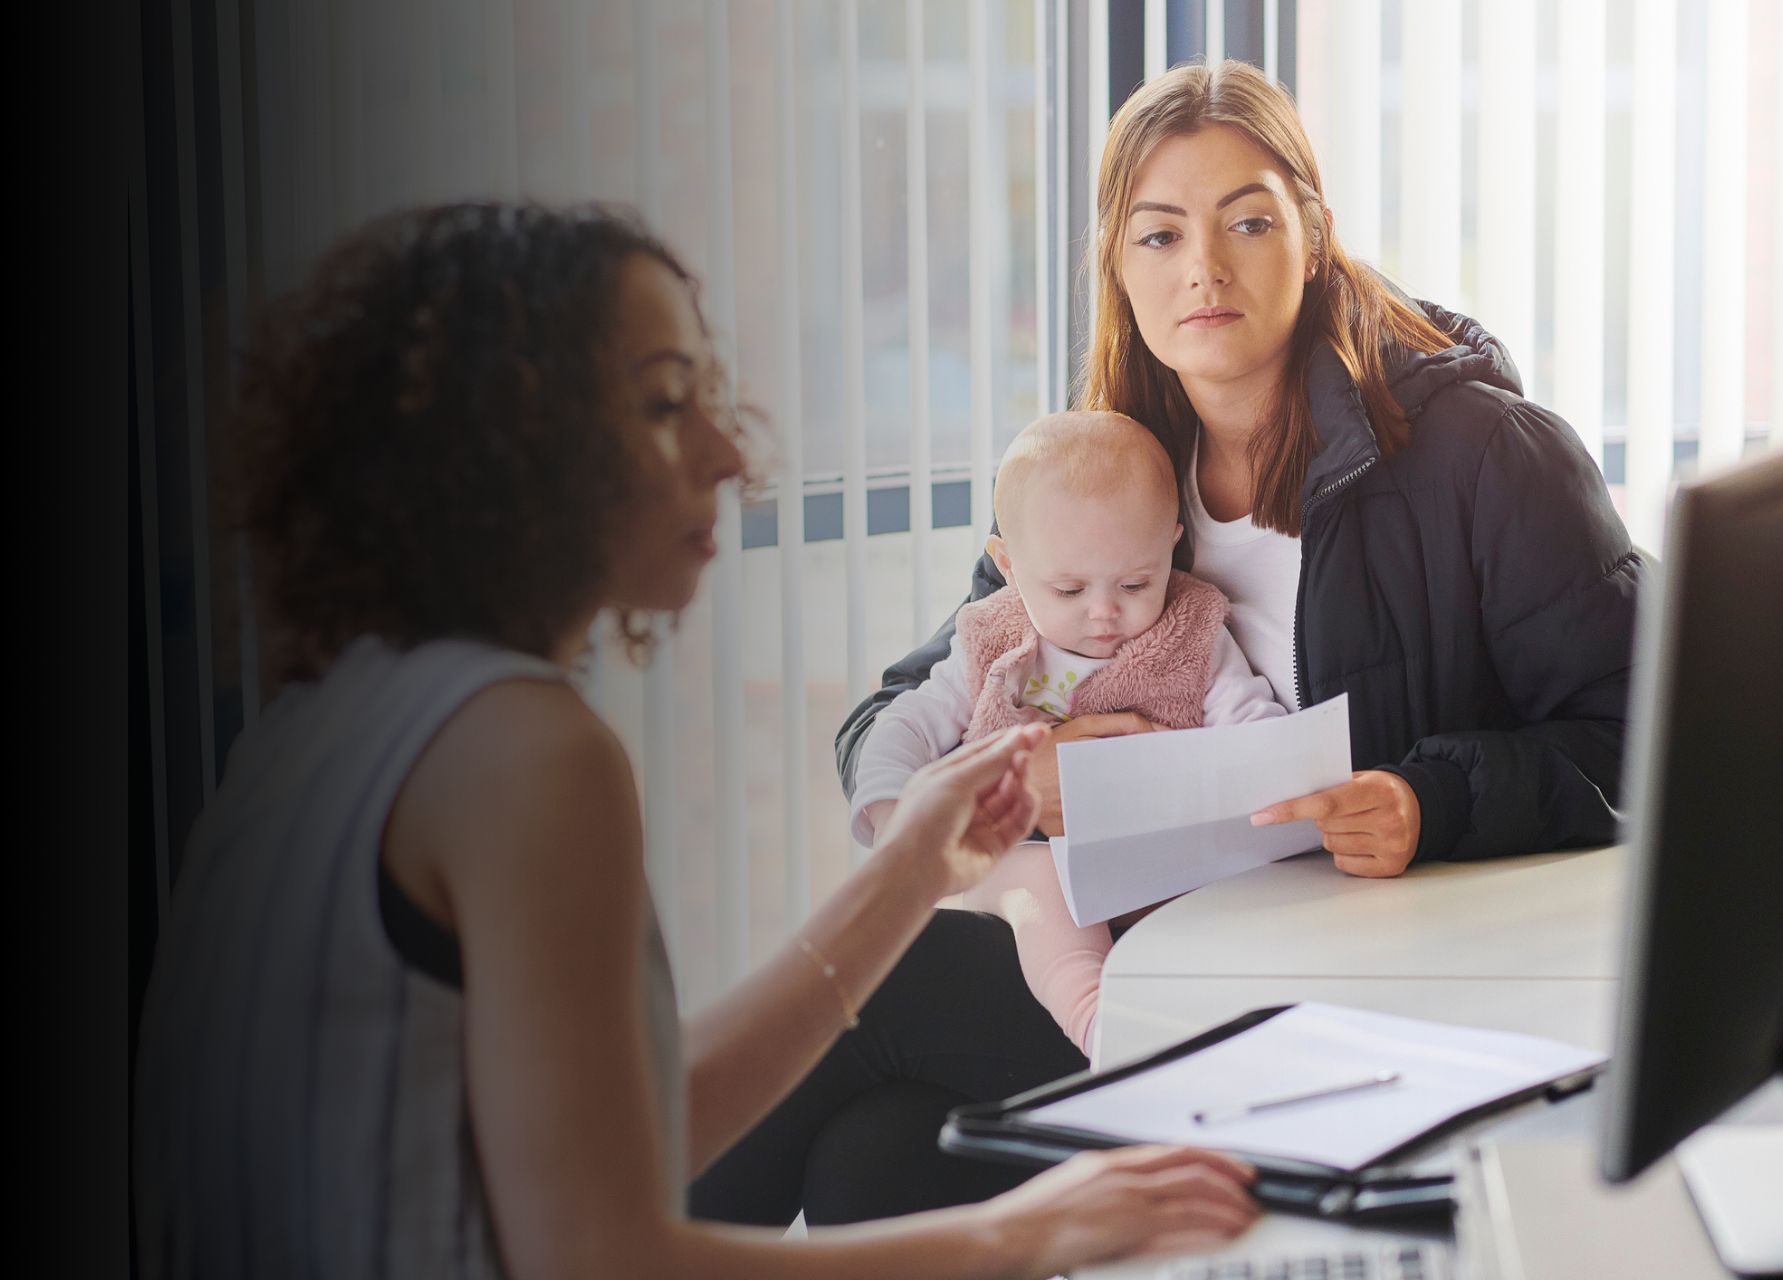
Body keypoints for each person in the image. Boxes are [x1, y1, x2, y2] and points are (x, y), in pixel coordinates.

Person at [132, 202, 1260, 1279]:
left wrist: (917, 861)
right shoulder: (521, 753)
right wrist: (1015, 1232)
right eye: (668, 404)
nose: (730, 451)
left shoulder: (326, 723)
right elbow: (599, 1254)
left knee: (885, 1147)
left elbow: (625, 1122)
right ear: (514, 447)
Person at [700, 60, 1640, 1227]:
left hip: (1363, 991)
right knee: (881, 1157)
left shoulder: (1485, 459)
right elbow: (913, 700)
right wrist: (1018, 781)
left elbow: (1645, 737)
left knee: (887, 992)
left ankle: (581, 1242)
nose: (1204, 266)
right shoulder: (1112, 470)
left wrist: (1426, 797)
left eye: (1248, 219)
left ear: (1314, 234)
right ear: (1117, 265)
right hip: (1161, 962)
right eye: (1159, 235)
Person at [849, 409, 1287, 1055]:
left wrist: (1268, 783)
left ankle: (1197, 1021)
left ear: (1171, 543)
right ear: (1008, 563)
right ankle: (1097, 1022)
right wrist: (895, 815)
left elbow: (1252, 727)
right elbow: (902, 725)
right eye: (1069, 588)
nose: (1104, 612)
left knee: (1219, 906)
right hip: (1025, 863)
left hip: (1160, 863)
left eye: (1136, 582)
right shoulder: (992, 638)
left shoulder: (1194, 632)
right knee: (1042, 887)